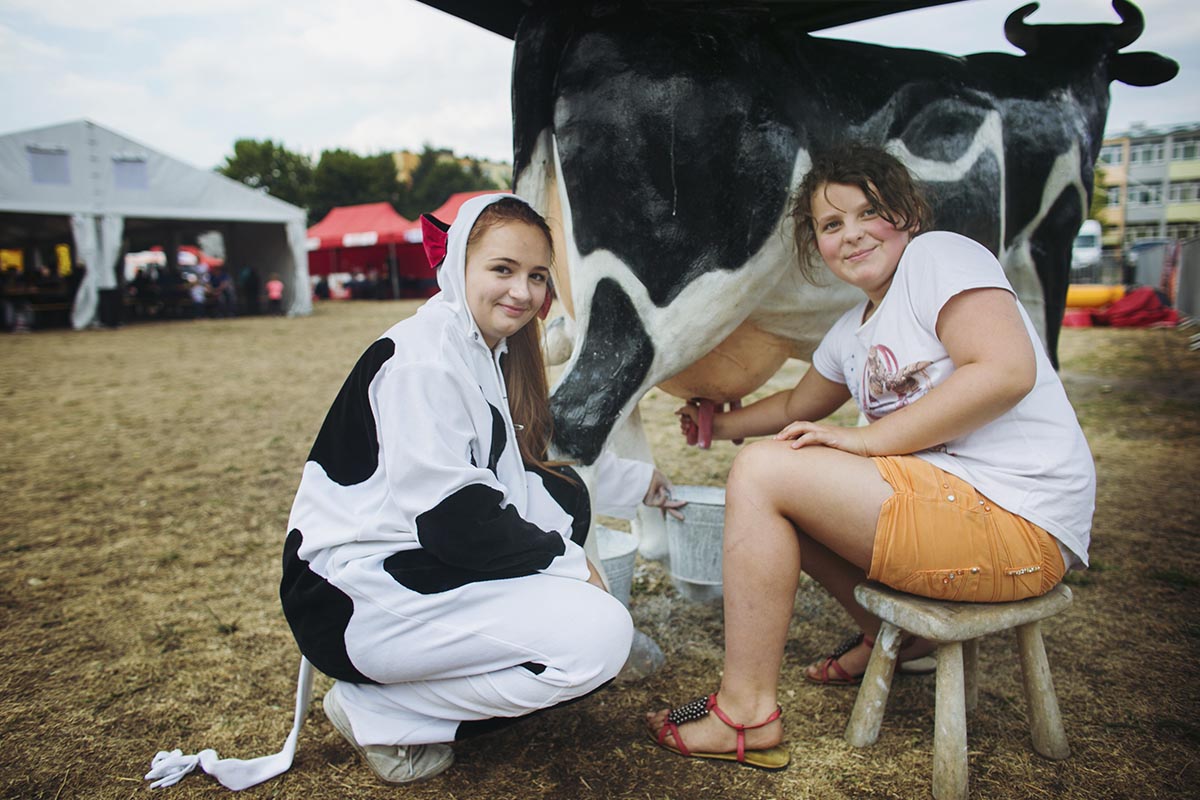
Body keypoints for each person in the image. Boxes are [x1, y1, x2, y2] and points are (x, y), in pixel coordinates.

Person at [645, 144, 1095, 770]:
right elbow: (793, 408)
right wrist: (715, 425)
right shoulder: (851, 331)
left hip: (1018, 521)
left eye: (868, 212)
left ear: (908, 213)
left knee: (765, 471)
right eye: (831, 225)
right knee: (774, 491)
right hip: (953, 513)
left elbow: (1005, 371)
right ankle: (899, 637)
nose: (850, 234)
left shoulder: (940, 257)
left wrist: (869, 440)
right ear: (817, 244)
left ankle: (744, 713)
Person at [280, 194, 682, 784]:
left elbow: (527, 478)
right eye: (502, 269)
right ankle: (379, 710)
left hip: (405, 560)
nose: (522, 291)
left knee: (563, 495)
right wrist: (570, 567)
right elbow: (454, 520)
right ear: (458, 267)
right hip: (348, 594)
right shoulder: (424, 360)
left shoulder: (477, 349)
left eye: (537, 276)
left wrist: (632, 488)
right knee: (599, 639)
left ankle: (403, 695)